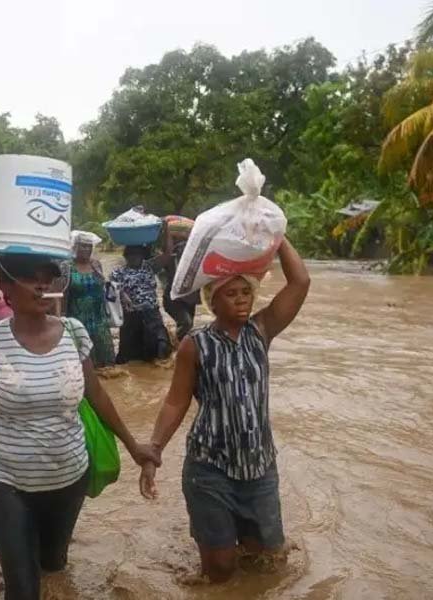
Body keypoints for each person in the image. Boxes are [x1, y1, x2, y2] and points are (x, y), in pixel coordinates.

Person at [0, 253, 160, 600]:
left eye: (47, 279)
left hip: (68, 480)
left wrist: (134, 448)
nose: (42, 285)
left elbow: (97, 395)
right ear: (5, 288)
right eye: (30, 278)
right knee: (23, 590)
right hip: (9, 483)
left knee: (53, 566)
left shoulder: (73, 332)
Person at [139, 238, 310, 583]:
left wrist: (277, 237)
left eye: (246, 292)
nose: (241, 300)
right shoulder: (195, 345)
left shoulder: (261, 331)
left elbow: (300, 282)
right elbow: (176, 400)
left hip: (259, 469)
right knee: (219, 571)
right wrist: (153, 451)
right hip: (210, 469)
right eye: (231, 294)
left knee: (267, 564)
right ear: (212, 301)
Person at [57, 235, 116, 368]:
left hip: (99, 318)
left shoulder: (96, 265)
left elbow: (104, 286)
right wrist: (61, 319)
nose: (87, 249)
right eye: (83, 245)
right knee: (83, 361)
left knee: (107, 362)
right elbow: (62, 295)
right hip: (78, 319)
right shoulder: (66, 267)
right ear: (75, 247)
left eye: (89, 246)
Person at [110, 245, 171, 364]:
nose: (134, 258)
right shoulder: (118, 273)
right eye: (131, 255)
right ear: (125, 257)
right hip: (131, 317)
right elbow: (112, 291)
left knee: (160, 349)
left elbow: (167, 254)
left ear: (142, 256)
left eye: (138, 255)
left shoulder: (149, 267)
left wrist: (167, 229)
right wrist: (122, 294)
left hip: (151, 314)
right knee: (129, 357)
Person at [153, 232, 200, 342]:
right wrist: (170, 238)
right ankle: (177, 348)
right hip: (173, 299)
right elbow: (167, 256)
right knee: (186, 324)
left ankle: (178, 348)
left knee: (188, 326)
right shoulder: (169, 258)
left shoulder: (194, 257)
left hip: (189, 299)